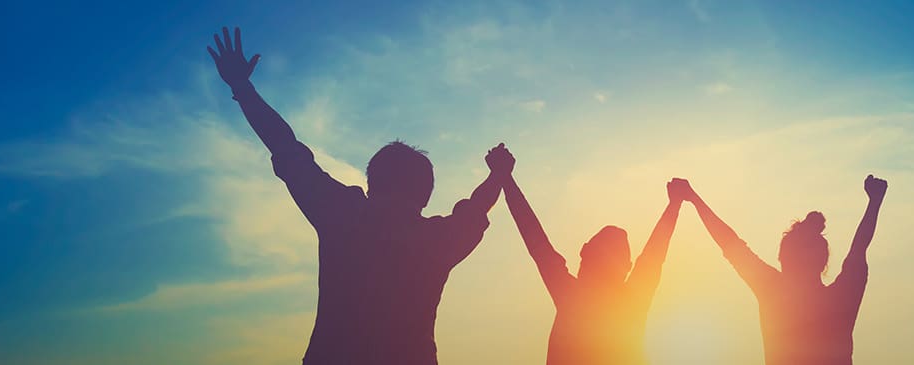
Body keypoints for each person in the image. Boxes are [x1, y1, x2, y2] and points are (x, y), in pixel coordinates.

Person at [207, 27, 511, 365]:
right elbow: (478, 205)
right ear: (425, 196)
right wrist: (498, 174)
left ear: (371, 183)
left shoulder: (342, 213)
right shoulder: (437, 239)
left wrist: (242, 87)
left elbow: (284, 146)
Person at [686, 175, 888, 365]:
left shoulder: (772, 290)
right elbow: (859, 247)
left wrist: (694, 199)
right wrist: (874, 202)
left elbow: (730, 244)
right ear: (824, 261)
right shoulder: (841, 297)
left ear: (783, 258)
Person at [502, 172, 690, 365]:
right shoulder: (631, 302)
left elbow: (536, 241)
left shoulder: (572, 296)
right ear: (627, 267)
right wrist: (674, 205)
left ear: (585, 254)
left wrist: (507, 180)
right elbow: (654, 253)